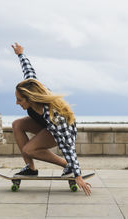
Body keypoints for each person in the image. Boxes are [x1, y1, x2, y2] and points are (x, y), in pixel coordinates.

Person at [11, 42, 91, 196]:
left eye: (19, 100)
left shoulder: (55, 116)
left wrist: (77, 174)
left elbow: (68, 146)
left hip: (60, 130)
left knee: (30, 149)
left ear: (30, 99)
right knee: (17, 124)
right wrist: (21, 54)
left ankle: (67, 166)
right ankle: (30, 168)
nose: (17, 103)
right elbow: (28, 70)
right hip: (45, 125)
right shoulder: (31, 86)